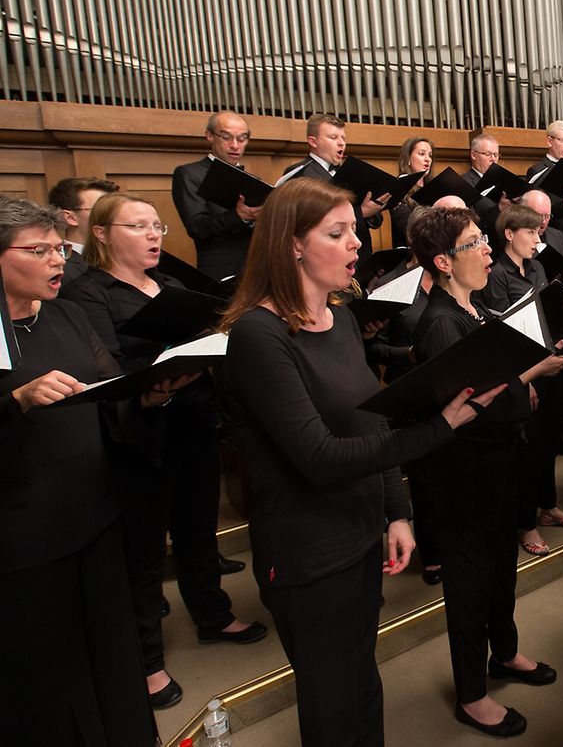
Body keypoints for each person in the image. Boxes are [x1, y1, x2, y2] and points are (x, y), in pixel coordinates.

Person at [216, 178, 498, 746]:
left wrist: (395, 510)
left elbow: (370, 420)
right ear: (292, 245)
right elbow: (319, 457)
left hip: (360, 533)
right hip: (307, 552)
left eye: (354, 232)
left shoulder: (340, 317)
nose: (356, 246)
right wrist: (439, 428)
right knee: (332, 702)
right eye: (338, 233)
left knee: (363, 684)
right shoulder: (257, 335)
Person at [61, 192, 266, 710]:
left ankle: (213, 615)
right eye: (139, 226)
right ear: (103, 234)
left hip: (193, 418)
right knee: (146, 550)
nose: (154, 235)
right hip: (138, 431)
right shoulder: (89, 292)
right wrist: (151, 386)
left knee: (199, 528)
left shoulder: (172, 286)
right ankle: (146, 657)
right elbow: (101, 365)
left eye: (158, 226)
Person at [0, 198, 159, 747]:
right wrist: (16, 399)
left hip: (93, 510)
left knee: (112, 657)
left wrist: (153, 391)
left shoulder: (66, 312)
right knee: (50, 674)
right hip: (25, 536)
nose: (56, 262)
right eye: (37, 251)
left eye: (57, 250)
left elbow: (109, 381)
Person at [409, 206, 563, 737]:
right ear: (443, 262)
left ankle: (506, 653)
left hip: (498, 464)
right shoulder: (440, 322)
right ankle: (471, 694)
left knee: (501, 570)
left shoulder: (472, 309)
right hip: (465, 476)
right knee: (471, 583)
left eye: (483, 240)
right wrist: (530, 373)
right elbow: (472, 405)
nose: (487, 252)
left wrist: (522, 380)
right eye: (475, 244)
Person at [481, 205, 563, 557]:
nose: (537, 239)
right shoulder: (496, 274)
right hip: (525, 373)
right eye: (531, 233)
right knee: (527, 451)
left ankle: (548, 505)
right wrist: (524, 378)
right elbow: (503, 333)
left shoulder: (538, 266)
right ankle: (525, 523)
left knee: (548, 444)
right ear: (510, 234)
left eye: (539, 233)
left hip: (549, 364)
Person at [278, 113, 388, 261]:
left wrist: (373, 209)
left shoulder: (351, 172)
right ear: (313, 141)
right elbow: (309, 222)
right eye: (333, 137)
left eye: (343, 138)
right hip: (327, 259)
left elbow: (374, 219)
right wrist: (361, 213)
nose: (341, 143)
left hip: (360, 255)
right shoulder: (300, 174)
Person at [171, 110, 261, 279]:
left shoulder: (253, 180)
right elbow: (197, 226)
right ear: (209, 136)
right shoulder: (189, 173)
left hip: (255, 267)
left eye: (242, 138)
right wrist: (239, 215)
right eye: (226, 137)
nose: (235, 145)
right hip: (220, 270)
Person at [46, 176, 119, 283]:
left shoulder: (129, 258)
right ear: (70, 218)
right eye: (101, 209)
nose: (116, 216)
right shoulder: (59, 268)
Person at [390, 136, 435, 248]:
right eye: (421, 154)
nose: (427, 159)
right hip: (411, 254)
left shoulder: (434, 188)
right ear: (408, 159)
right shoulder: (399, 188)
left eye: (430, 155)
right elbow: (407, 228)